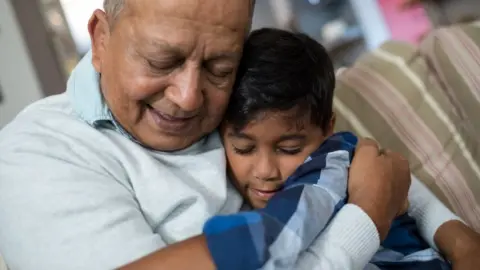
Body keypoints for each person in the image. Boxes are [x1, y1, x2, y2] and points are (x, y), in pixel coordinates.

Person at [0, 0, 476, 269]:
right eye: (160, 61)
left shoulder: (244, 102)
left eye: (218, 67)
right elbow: (370, 191)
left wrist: (455, 235)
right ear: (101, 38)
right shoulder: (39, 156)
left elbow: (359, 163)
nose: (189, 97)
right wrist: (366, 218)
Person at [220, 28, 480, 269]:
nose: (265, 171)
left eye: (289, 148)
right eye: (243, 148)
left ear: (327, 128)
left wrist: (463, 245)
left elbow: (412, 196)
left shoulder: (339, 158)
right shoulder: (217, 195)